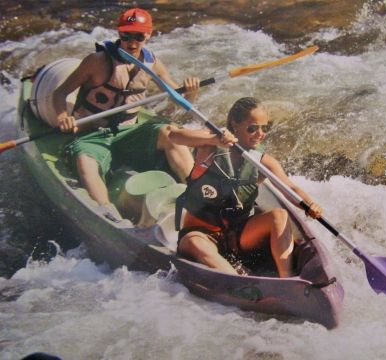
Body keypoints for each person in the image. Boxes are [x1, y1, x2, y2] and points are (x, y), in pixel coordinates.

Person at [53, 8, 199, 216]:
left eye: (139, 36)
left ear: (149, 35)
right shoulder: (96, 61)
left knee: (171, 134)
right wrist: (62, 117)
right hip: (92, 136)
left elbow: (181, 102)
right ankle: (107, 214)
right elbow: (60, 93)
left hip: (129, 134)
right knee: (85, 162)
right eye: (126, 36)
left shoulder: (152, 64)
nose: (132, 43)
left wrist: (192, 92)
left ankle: (197, 194)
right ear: (118, 33)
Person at [168, 97, 323, 277]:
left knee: (280, 215)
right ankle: (239, 282)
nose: (260, 134)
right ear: (235, 125)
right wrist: (214, 138)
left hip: (239, 236)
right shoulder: (208, 147)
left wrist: (310, 204)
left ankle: (287, 279)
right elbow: (174, 135)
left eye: (265, 128)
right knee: (194, 244)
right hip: (201, 233)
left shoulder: (263, 162)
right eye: (252, 128)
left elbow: (290, 188)